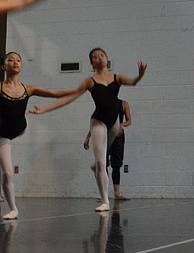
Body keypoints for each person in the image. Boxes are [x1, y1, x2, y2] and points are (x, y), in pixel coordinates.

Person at [31, 49, 146, 212]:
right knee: (101, 162)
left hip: (114, 123)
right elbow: (69, 98)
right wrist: (45, 109)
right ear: (91, 63)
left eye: (101, 55)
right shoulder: (89, 82)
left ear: (107, 58)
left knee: (103, 157)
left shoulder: (117, 77)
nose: (99, 58)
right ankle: (105, 200)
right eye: (94, 57)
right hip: (98, 121)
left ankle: (96, 166)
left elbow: (133, 82)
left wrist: (140, 75)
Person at [0, 52, 76, 220]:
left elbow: (54, 93)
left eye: (18, 60)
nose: (15, 62)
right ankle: (13, 209)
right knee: (7, 173)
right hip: (2, 132)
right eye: (10, 60)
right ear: (3, 66)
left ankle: (12, 208)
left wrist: (78, 89)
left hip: (17, 128)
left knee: (7, 173)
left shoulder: (29, 88)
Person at [84, 99, 132, 201]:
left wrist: (122, 125)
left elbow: (129, 121)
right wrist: (88, 137)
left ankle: (116, 193)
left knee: (117, 164)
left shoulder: (124, 104)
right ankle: (103, 193)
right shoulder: (104, 104)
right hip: (105, 135)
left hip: (118, 136)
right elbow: (95, 122)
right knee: (103, 163)